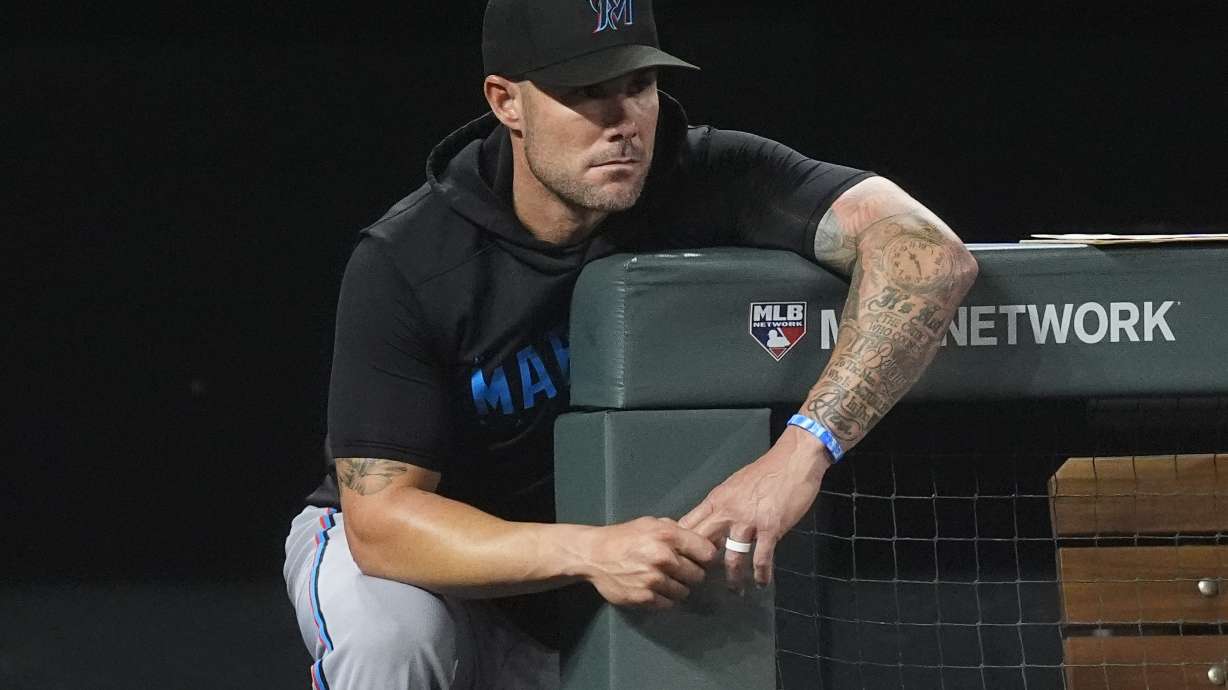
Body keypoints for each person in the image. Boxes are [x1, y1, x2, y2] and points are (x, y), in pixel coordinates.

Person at [283, 0, 979, 687]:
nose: (621, 123)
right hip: (425, 567)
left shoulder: (710, 176)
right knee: (392, 645)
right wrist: (589, 550)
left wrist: (804, 449)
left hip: (599, 591)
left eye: (637, 86)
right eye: (585, 93)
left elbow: (929, 255)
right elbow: (382, 524)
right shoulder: (410, 258)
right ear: (507, 102)